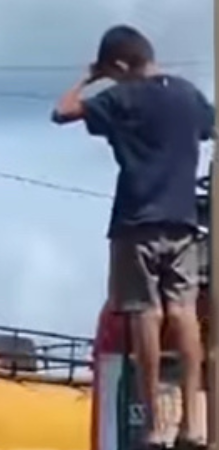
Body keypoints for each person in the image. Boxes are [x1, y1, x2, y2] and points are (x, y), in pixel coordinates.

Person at [51, 25, 213, 450]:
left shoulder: (122, 97)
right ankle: (193, 425)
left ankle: (155, 425)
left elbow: (62, 111)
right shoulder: (188, 96)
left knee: (145, 313)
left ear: (120, 65)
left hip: (136, 222)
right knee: (183, 311)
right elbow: (209, 128)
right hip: (183, 222)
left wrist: (90, 78)